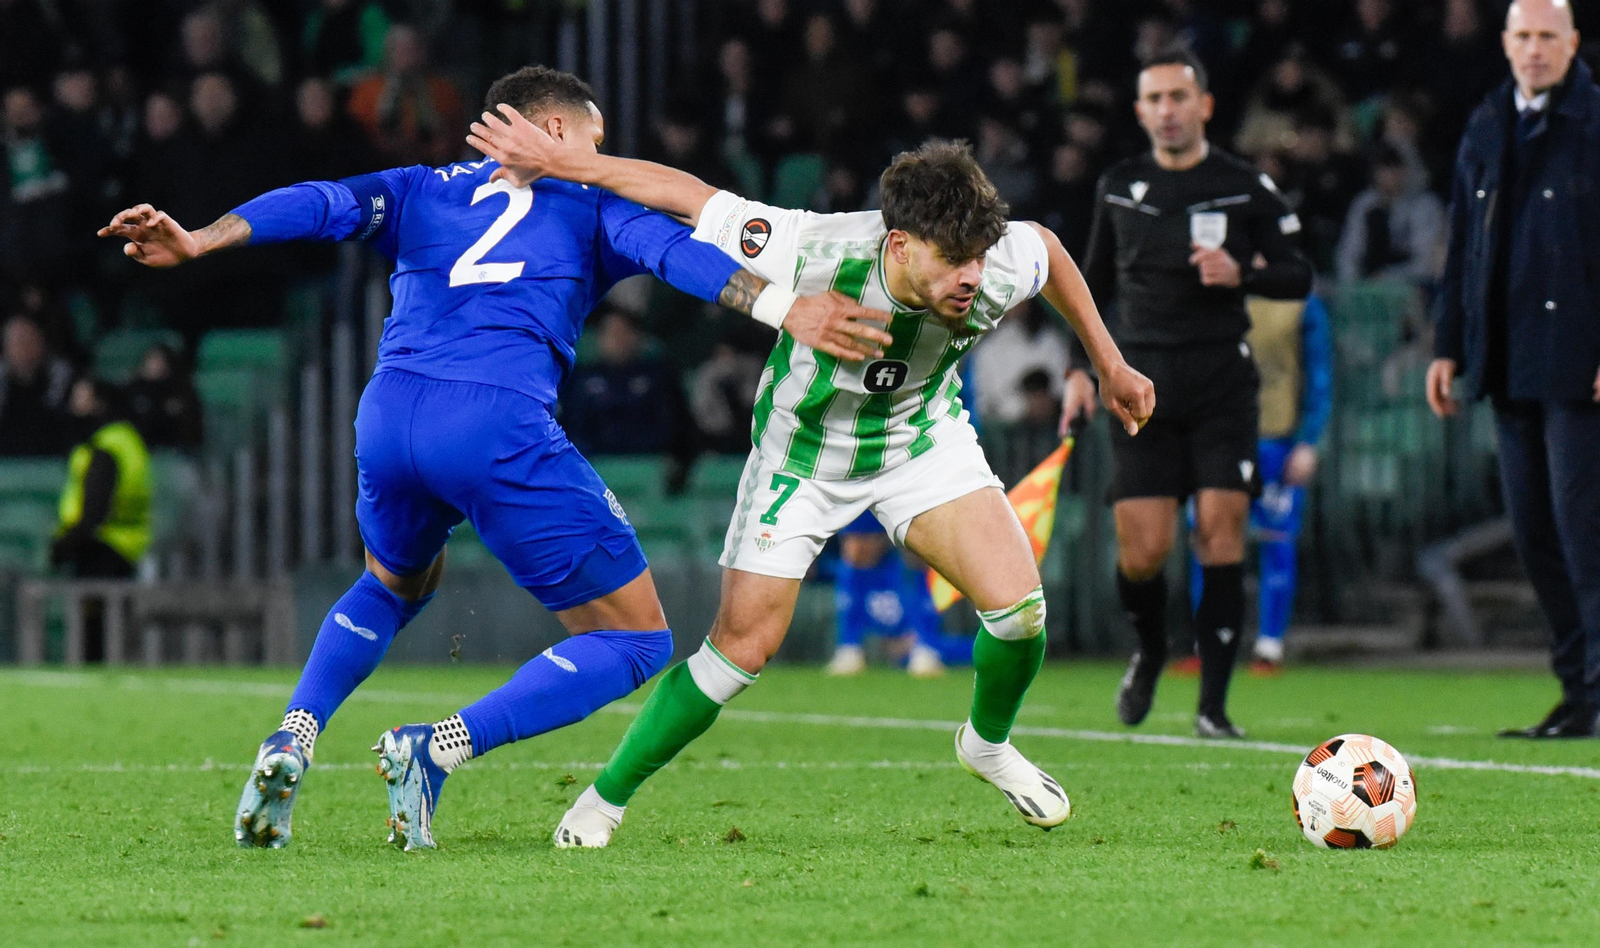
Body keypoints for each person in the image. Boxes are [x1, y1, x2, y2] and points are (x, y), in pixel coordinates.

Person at [99, 65, 891, 850]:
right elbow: (675, 255)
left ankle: (294, 733)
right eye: (596, 140)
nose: (602, 158)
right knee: (638, 640)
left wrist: (202, 238)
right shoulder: (591, 203)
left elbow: (321, 202)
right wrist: (786, 309)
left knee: (394, 581)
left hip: (390, 413)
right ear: (556, 130)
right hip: (493, 422)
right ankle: (437, 747)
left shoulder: (419, 187)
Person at [470, 117, 1153, 847]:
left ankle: (987, 745)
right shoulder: (813, 246)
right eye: (955, 260)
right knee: (738, 655)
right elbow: (686, 195)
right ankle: (602, 801)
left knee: (1020, 613)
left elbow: (1047, 248)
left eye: (980, 258)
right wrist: (566, 162)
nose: (974, 277)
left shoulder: (995, 261)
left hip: (919, 442)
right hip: (801, 460)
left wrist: (1109, 362)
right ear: (900, 244)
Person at [1066, 46, 1312, 739]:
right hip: (1141, 385)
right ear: (1140, 111)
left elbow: (1298, 273)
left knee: (1220, 531)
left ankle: (1213, 707)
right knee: (1143, 551)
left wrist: (1243, 273)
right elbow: (1090, 286)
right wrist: (1080, 369)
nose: (1167, 111)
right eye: (1155, 99)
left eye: (1179, 97)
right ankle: (1149, 650)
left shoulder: (1243, 185)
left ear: (1204, 105)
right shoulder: (1120, 185)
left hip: (1221, 384)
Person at [1427, 0, 1600, 740]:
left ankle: (1595, 691)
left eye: (1547, 37)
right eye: (1523, 36)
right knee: (1535, 534)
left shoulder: (1594, 123)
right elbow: (1463, 241)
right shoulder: (1488, 123)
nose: (1534, 49)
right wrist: (1448, 344)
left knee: (1584, 531)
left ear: (1573, 43)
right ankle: (1580, 691)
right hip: (1506, 357)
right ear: (1504, 43)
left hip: (1578, 361)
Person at [1188, 294, 1333, 674]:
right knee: (1207, 537)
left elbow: (1319, 374)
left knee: (1276, 539)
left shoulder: (1300, 302)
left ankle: (1269, 645)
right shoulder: (1215, 297)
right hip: (1220, 441)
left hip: (1275, 441)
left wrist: (1309, 441)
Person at [51, 375, 150, 582]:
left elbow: (96, 509)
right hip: (129, 546)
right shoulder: (128, 439)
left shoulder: (105, 448)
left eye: (81, 397)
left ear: (99, 403)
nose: (73, 404)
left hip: (101, 549)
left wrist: (65, 545)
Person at [826, 513, 948, 679]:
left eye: (865, 539)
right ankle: (849, 649)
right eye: (847, 540)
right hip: (885, 643)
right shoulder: (851, 571)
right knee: (854, 557)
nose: (854, 549)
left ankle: (926, 647)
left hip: (916, 639)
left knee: (916, 552)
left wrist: (918, 641)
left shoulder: (904, 570)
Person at [1335, 144, 1446, 287]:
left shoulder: (1427, 205)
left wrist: (1389, 277)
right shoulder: (1364, 203)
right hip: (1368, 283)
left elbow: (1427, 261)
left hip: (1414, 284)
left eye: (1396, 167)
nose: (1390, 175)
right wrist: (1353, 282)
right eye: (1384, 168)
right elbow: (1349, 251)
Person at [0, 313, 74, 456]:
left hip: (53, 459)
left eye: (30, 339)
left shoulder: (63, 378)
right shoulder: (2, 381)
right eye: (18, 341)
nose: (24, 347)